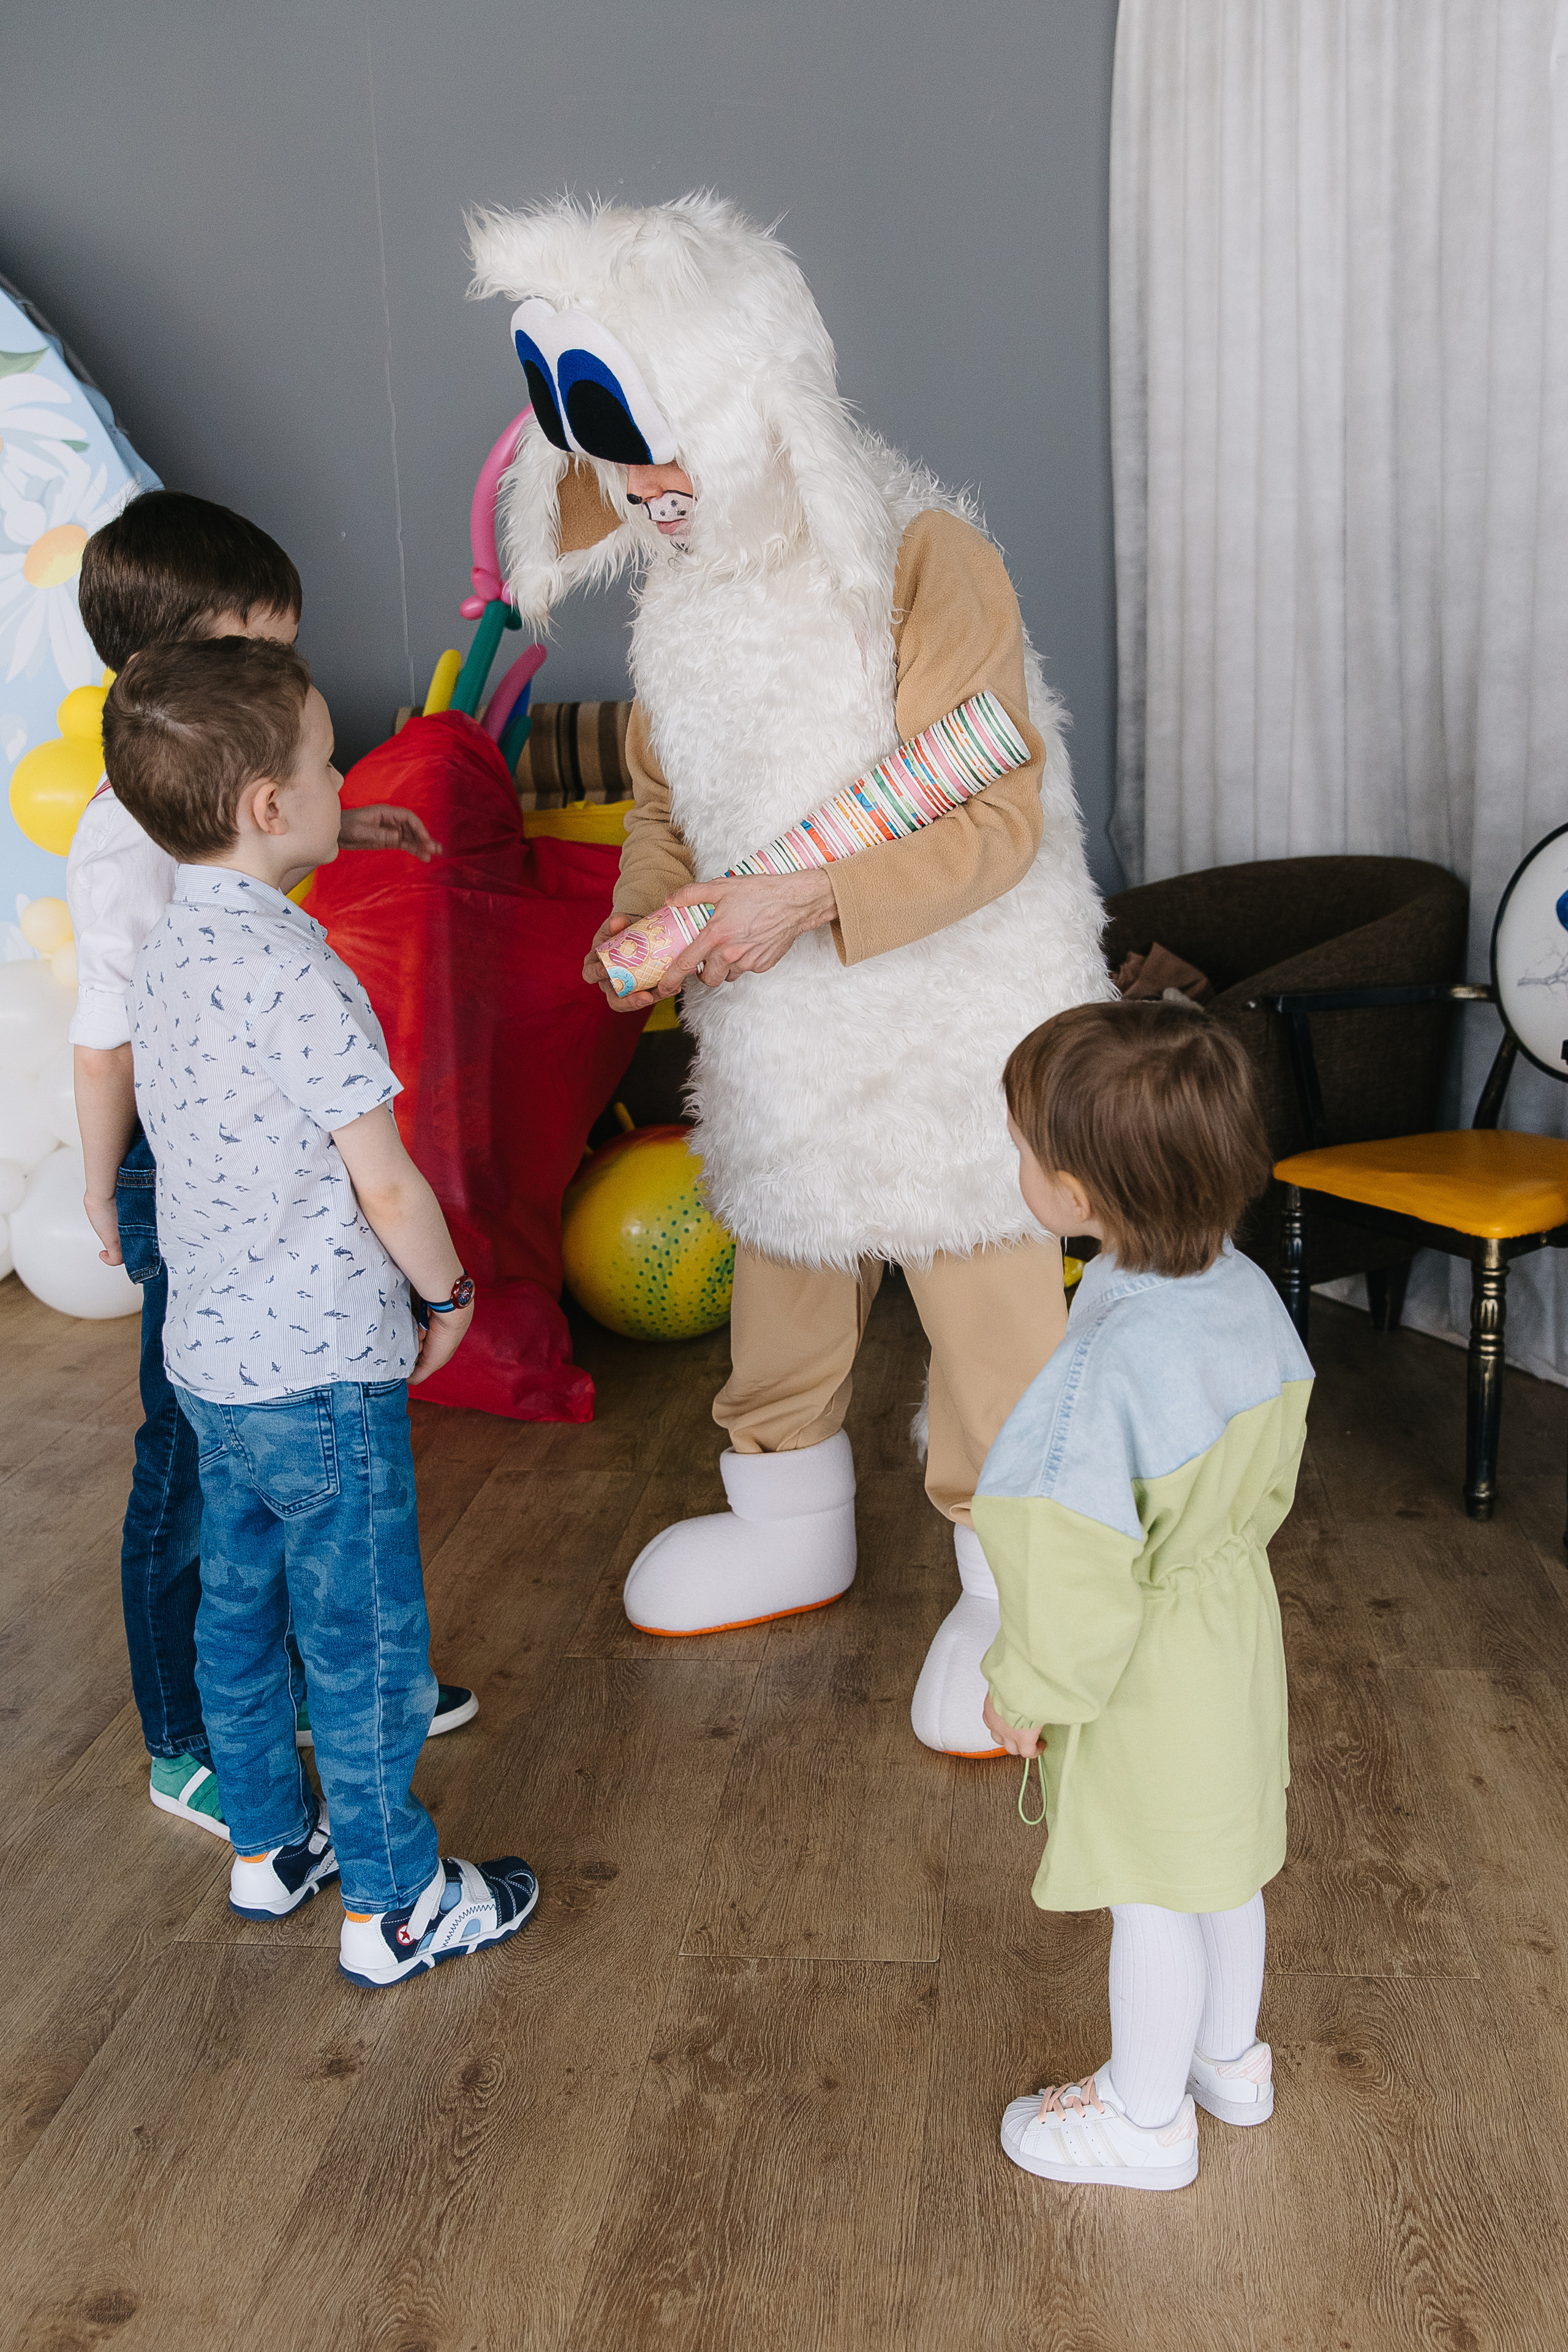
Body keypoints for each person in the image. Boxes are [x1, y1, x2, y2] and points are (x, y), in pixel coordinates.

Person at [468, 194, 1113, 1756]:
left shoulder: (919, 558)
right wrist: (650, 927)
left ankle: (1012, 1585)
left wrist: (806, 895)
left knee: (988, 1305)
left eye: (664, 443)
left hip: (956, 1010)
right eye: (611, 458)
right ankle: (784, 1518)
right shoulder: (675, 605)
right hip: (776, 1013)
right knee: (785, 1270)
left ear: (750, 414)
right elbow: (676, 805)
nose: (642, 490)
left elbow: (997, 812)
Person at [101, 635, 536, 1985]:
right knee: (358, 1634)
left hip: (210, 1363)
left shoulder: (166, 950)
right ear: (269, 808)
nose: (345, 772)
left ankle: (271, 1845)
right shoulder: (307, 976)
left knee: (235, 1604)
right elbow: (389, 1185)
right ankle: (397, 1902)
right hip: (322, 1372)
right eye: (328, 757)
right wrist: (449, 1292)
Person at [68, 491, 476, 1843]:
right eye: (266, 661)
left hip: (224, 1216)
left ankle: (270, 1800)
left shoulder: (194, 862)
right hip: (184, 1182)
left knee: (242, 1516)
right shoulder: (180, 895)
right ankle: (244, 1772)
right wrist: (101, 1192)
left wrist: (341, 828)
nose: (296, 683)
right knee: (191, 1484)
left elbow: (224, 850)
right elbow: (103, 1043)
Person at [972, 998, 1313, 2190]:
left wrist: (1025, 1689)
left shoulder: (1095, 1379)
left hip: (1147, 1671)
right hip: (1232, 1627)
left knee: (1147, 1897)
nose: (1012, 1163)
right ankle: (1231, 2061)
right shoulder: (1244, 1289)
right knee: (1224, 1863)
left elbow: (1072, 1570)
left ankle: (1143, 2117)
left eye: (1022, 1147)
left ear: (1070, 1193)